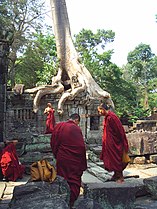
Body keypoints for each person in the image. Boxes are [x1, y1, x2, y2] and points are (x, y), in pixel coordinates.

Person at [50, 113, 87, 208]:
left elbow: (53, 142)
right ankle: (71, 203)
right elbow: (81, 147)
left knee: (63, 178)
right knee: (74, 181)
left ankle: (63, 201)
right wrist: (83, 164)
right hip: (74, 161)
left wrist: (57, 154)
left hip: (62, 158)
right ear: (76, 120)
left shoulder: (59, 126)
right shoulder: (76, 128)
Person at [97, 103, 130, 183]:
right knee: (111, 160)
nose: (99, 113)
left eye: (100, 110)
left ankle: (120, 177)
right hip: (109, 144)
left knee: (116, 160)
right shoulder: (107, 118)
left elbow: (120, 131)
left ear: (103, 109)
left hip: (115, 144)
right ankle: (116, 175)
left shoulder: (112, 117)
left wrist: (122, 143)